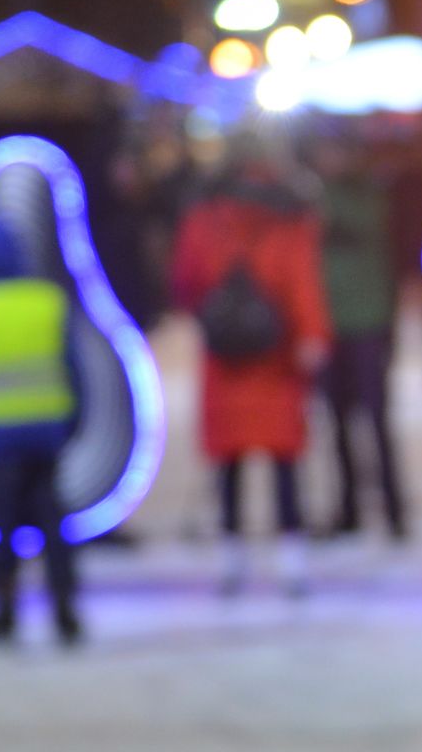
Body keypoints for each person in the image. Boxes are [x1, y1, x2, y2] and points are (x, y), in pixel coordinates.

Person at [171, 128, 331, 595]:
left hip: (225, 358)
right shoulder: (290, 215)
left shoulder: (205, 216)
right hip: (276, 355)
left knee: (229, 462)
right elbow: (303, 282)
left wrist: (210, 315)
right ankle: (291, 558)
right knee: (284, 458)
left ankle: (231, 557)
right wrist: (311, 335)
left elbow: (185, 281)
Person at [0, 220, 83, 646]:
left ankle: (4, 611)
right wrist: (75, 419)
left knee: (3, 525)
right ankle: (64, 608)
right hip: (47, 431)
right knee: (52, 522)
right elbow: (73, 366)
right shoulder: (47, 301)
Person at [308, 123, 407, 541]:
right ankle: (348, 508)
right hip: (331, 327)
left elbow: (376, 233)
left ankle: (395, 511)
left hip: (368, 324)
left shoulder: (371, 195)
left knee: (376, 423)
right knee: (338, 424)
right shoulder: (315, 199)